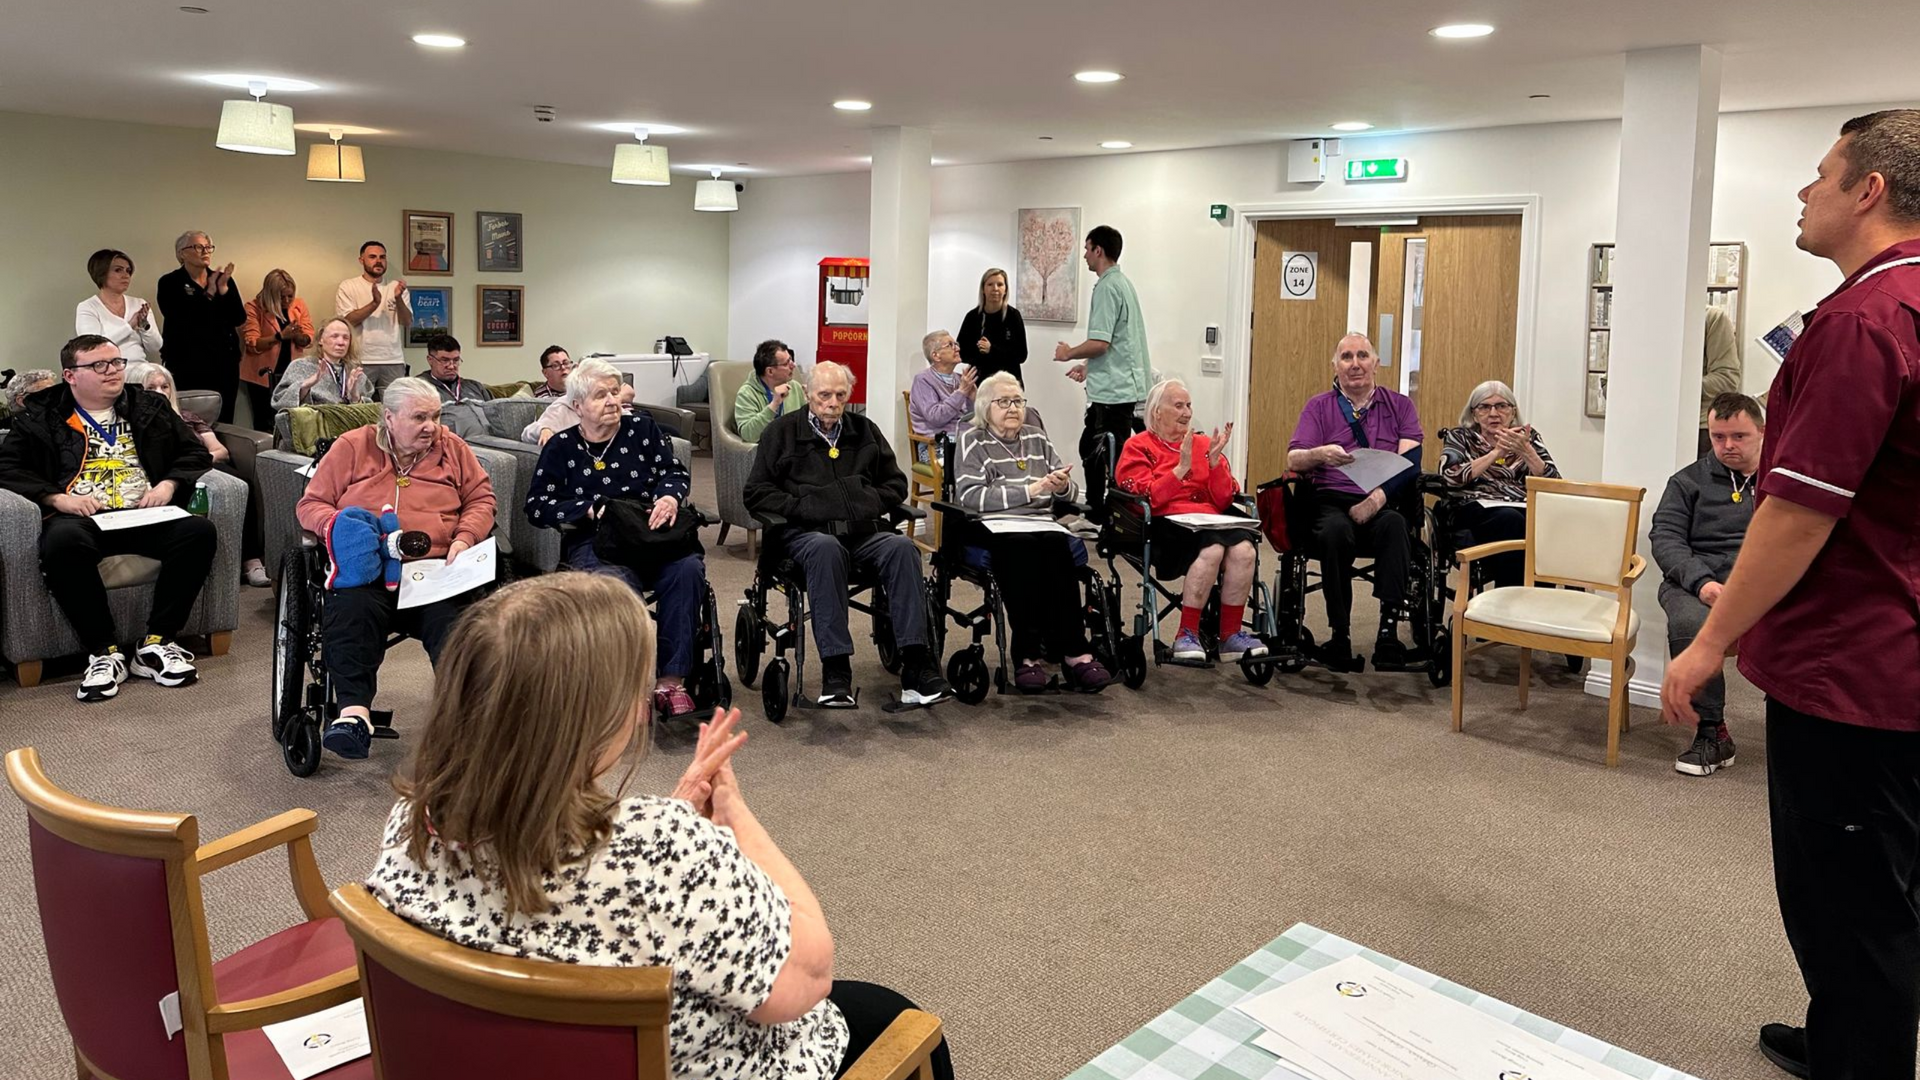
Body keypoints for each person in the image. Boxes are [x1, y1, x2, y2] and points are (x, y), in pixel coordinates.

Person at [364, 573, 956, 1080]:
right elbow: (808, 977)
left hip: (508, 1056)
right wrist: (732, 819)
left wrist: (661, 818)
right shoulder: (661, 850)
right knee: (893, 1016)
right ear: (591, 717)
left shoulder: (414, 820)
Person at [1659, 110, 1920, 1080]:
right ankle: (1847, 1031)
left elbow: (1799, 513)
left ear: (1870, 192)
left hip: (1852, 663)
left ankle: (1862, 1057)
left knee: (1848, 899)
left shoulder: (1861, 321)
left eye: (1820, 176)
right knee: (1884, 883)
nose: (1802, 194)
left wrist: (1709, 641)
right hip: (1897, 649)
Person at [0, 336, 214, 701]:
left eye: (116, 362)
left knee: (198, 531)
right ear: (70, 375)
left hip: (146, 512)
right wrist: (57, 498)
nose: (113, 371)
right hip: (85, 517)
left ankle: (157, 643)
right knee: (61, 542)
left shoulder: (150, 405)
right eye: (99, 365)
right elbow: (7, 466)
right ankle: (104, 651)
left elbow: (195, 452)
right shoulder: (40, 415)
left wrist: (168, 484)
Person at [296, 377, 496, 760]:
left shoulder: (452, 448)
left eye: (435, 416)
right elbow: (311, 505)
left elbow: (481, 499)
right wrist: (340, 528)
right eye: (420, 417)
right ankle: (353, 715)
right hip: (368, 569)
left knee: (457, 629)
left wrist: (464, 538)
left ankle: (470, 721)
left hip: (436, 569)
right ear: (388, 417)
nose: (431, 427)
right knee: (351, 614)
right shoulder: (352, 446)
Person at [744, 361, 953, 708]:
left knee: (902, 547)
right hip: (806, 535)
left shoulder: (864, 430)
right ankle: (836, 670)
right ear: (807, 393)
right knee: (827, 550)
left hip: (863, 532)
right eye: (824, 394)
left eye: (840, 395)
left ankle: (917, 665)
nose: (832, 402)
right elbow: (756, 493)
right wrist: (806, 506)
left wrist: (864, 501)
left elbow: (896, 484)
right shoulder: (780, 433)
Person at [525, 358, 708, 717]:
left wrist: (669, 497)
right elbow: (536, 506)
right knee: (614, 588)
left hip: (652, 534)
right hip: (597, 543)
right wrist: (588, 509)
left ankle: (670, 681)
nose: (611, 401)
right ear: (577, 405)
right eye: (600, 395)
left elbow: (674, 472)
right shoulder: (561, 446)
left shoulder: (642, 430)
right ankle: (625, 686)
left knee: (687, 571)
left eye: (614, 392)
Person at [954, 371, 1111, 691]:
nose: (1013, 408)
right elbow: (970, 497)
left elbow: (1065, 492)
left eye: (1018, 401)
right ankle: (1026, 655)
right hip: (993, 525)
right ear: (985, 407)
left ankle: (1074, 651)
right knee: (1022, 549)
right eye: (1004, 401)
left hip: (1040, 522)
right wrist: (1030, 490)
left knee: (1057, 545)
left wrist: (1064, 487)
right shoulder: (973, 439)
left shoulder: (1036, 438)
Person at [1286, 332, 1425, 671]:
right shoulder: (1318, 407)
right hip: (1330, 501)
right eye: (1346, 357)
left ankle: (1388, 633)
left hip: (1382, 500)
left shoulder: (1400, 406)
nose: (1355, 364)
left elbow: (1411, 465)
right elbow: (1294, 459)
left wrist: (1377, 500)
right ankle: (1340, 634)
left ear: (1376, 364)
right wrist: (1320, 454)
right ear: (1335, 366)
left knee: (1395, 528)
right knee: (1335, 533)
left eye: (1363, 356)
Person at [1650, 392, 1764, 778]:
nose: (1727, 446)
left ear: (1762, 432)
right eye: (1718, 437)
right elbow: (1665, 538)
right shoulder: (1686, 482)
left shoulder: (1780, 482)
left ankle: (1801, 722)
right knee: (1687, 623)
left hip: (1759, 583)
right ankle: (1712, 731)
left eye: (1739, 436)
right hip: (1695, 582)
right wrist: (1703, 584)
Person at [1115, 378, 1268, 665]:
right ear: (1157, 411)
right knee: (1211, 550)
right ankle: (1187, 634)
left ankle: (1230, 636)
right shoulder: (1138, 446)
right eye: (1178, 405)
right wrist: (1181, 470)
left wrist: (1214, 464)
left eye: (1189, 405)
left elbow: (1224, 500)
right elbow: (1151, 499)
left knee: (1245, 549)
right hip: (1164, 524)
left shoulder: (1202, 443)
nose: (1187, 412)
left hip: (1210, 520)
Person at [129, 360, 270, 588]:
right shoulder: (132, 424)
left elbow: (220, 451)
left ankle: (251, 561)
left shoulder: (187, 417)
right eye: (151, 388)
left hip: (204, 468)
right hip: (166, 477)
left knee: (242, 482)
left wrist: (194, 462)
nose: (160, 393)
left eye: (164, 387)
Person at [1053, 225, 1151, 522]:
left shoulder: (1108, 287)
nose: (1084, 255)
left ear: (1099, 250)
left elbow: (1101, 342)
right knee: (1107, 453)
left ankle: (1100, 518)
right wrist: (1088, 367)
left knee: (1100, 456)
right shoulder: (1123, 283)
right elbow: (1121, 343)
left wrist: (1068, 353)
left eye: (1087, 249)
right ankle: (1107, 515)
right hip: (1122, 386)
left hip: (1113, 392)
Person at [1438, 380, 1561, 589]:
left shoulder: (1526, 438)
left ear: (1513, 412)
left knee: (1543, 521)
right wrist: (1496, 453)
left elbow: (1554, 484)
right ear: (1474, 414)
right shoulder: (1461, 436)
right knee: (1510, 519)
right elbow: (1450, 476)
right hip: (1473, 506)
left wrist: (1527, 452)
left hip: (1521, 506)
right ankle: (1511, 599)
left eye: (1501, 406)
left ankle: (1537, 600)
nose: (1494, 413)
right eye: (1485, 407)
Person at [156, 231, 245, 423]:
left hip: (224, 362)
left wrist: (223, 291)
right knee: (191, 419)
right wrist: (210, 293)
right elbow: (184, 318)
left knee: (225, 417)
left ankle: (223, 452)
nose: (205, 251)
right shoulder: (170, 282)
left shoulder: (223, 279)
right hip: (188, 362)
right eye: (198, 247)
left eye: (208, 247)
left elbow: (238, 318)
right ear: (182, 254)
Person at [240, 269, 314, 430]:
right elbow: (252, 343)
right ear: (271, 295)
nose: (287, 300)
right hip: (263, 375)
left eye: (290, 296)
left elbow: (309, 335)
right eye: (281, 297)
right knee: (264, 420)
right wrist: (280, 336)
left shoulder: (299, 305)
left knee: (293, 418)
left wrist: (299, 337)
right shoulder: (253, 308)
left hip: (291, 373)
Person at [334, 241, 410, 395]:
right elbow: (347, 321)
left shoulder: (396, 287)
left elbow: (407, 322)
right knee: (358, 407)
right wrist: (374, 304)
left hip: (393, 360)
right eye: (372, 257)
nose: (378, 261)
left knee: (396, 408)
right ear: (361, 260)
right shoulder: (348, 286)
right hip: (360, 360)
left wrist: (399, 299)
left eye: (382, 257)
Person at [75, 249, 163, 364]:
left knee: (160, 377)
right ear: (101, 273)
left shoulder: (139, 304)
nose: (126, 275)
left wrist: (145, 326)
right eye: (118, 270)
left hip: (140, 367)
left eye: (128, 271)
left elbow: (155, 347)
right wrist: (130, 326)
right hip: (106, 370)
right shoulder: (88, 307)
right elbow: (92, 349)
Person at [271, 317, 375, 410]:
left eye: (345, 338)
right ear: (321, 339)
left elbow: (370, 413)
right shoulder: (301, 366)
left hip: (349, 428)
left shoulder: (355, 374)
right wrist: (305, 386)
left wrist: (355, 397)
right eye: (334, 336)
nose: (341, 342)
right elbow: (280, 403)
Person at [907, 330, 977, 462]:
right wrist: (961, 392)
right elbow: (936, 417)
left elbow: (975, 417)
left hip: (965, 441)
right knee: (974, 464)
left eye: (956, 344)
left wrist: (974, 399)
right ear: (936, 355)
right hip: (935, 446)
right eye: (950, 345)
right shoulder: (923, 380)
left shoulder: (961, 379)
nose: (957, 348)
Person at [956, 267, 1027, 386]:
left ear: (1005, 289)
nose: (995, 289)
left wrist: (991, 350)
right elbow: (961, 353)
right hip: (979, 383)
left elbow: (1021, 355)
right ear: (983, 289)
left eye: (1000, 284)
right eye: (990, 284)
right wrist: (980, 351)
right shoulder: (973, 317)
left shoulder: (1013, 316)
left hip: (1008, 383)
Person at [420, 334, 492, 439]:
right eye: (444, 360)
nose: (451, 366)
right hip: (455, 447)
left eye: (456, 360)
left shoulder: (475, 386)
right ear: (430, 360)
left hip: (492, 442)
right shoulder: (420, 388)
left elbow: (497, 415)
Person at [1696, 305, 1742, 457]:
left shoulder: (1712, 317)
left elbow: (1727, 379)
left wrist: (1677, 388)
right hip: (1643, 424)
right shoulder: (1640, 318)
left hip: (1698, 430)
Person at [733, 338, 799, 443]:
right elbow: (748, 435)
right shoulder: (746, 393)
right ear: (770, 371)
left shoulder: (795, 387)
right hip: (766, 452)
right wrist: (774, 405)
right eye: (786, 364)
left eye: (791, 360)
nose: (793, 365)